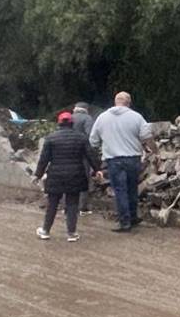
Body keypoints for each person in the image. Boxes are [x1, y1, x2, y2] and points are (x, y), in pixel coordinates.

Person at [89, 91, 157, 232]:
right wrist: (155, 151)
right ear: (129, 103)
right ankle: (133, 217)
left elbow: (93, 141)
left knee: (120, 190)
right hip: (133, 159)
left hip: (114, 160)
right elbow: (147, 136)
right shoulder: (136, 117)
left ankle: (124, 222)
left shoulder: (102, 118)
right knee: (132, 188)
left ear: (115, 102)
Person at [34, 111, 101, 242]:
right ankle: (71, 233)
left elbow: (44, 159)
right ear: (72, 123)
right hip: (75, 175)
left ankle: (45, 231)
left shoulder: (51, 138)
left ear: (59, 123)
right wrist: (97, 169)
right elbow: (90, 155)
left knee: (52, 204)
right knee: (72, 204)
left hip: (55, 175)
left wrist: (38, 174)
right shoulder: (81, 138)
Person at [71, 102, 96, 214]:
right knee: (84, 178)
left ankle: (68, 206)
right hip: (82, 153)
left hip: (68, 152)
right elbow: (90, 136)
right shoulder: (87, 118)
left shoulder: (69, 118)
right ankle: (82, 207)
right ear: (86, 109)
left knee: (69, 178)